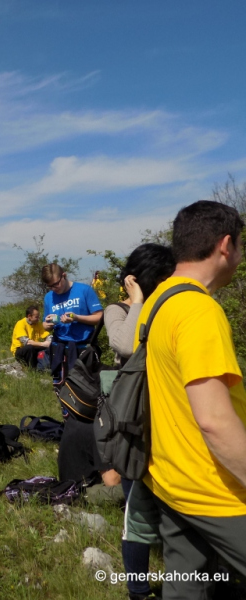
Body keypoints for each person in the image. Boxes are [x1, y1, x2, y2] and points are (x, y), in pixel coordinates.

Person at [135, 201, 246, 598]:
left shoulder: (157, 303)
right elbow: (214, 420)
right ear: (226, 245)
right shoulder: (199, 311)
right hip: (218, 491)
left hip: (169, 481)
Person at [103, 243, 175, 600]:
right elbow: (127, 344)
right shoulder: (117, 310)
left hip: (170, 415)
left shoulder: (170, 306)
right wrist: (137, 301)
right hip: (136, 419)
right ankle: (138, 590)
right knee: (137, 510)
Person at [41, 263, 102, 378]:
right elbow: (44, 324)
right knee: (62, 388)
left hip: (83, 348)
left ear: (64, 275)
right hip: (60, 349)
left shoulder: (84, 290)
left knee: (87, 387)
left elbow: (99, 317)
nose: (54, 288)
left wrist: (77, 318)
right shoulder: (49, 297)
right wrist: (49, 324)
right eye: (50, 286)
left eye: (56, 284)